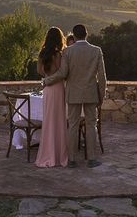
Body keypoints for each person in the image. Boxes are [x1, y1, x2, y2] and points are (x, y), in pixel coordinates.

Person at [43, 24, 106, 168]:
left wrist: (47, 80)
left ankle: (71, 159)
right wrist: (101, 96)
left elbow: (63, 73)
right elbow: (102, 77)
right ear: (86, 34)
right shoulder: (96, 51)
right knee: (91, 125)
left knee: (72, 125)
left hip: (73, 94)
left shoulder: (68, 52)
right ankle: (91, 159)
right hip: (91, 94)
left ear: (75, 36)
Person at [34, 27, 69, 168]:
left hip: (47, 89)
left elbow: (39, 71)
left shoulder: (42, 54)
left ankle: (48, 154)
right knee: (59, 121)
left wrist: (47, 77)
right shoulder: (58, 55)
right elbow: (62, 73)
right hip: (58, 88)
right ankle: (59, 155)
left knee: (49, 121)